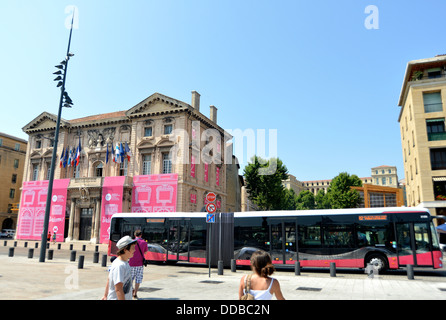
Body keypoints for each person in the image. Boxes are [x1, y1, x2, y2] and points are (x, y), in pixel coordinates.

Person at [103, 235, 137, 300]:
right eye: (133, 248)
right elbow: (118, 289)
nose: (135, 250)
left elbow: (109, 279)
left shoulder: (125, 262)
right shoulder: (119, 266)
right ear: (125, 250)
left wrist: (105, 295)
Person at [129, 229, 148, 299]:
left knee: (130, 279)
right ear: (141, 235)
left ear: (134, 235)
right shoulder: (144, 242)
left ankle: (131, 291)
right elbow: (145, 252)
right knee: (138, 279)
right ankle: (135, 293)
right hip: (140, 264)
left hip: (131, 263)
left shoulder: (131, 242)